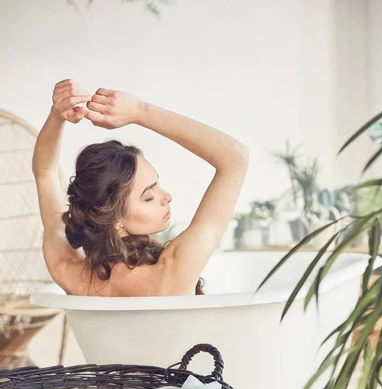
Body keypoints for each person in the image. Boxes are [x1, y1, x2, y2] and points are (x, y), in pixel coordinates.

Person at [32, 79, 248, 296]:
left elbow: (45, 175)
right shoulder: (173, 271)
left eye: (158, 186)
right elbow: (235, 157)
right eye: (148, 197)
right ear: (115, 218)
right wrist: (140, 111)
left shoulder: (73, 274)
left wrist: (57, 115)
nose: (167, 196)